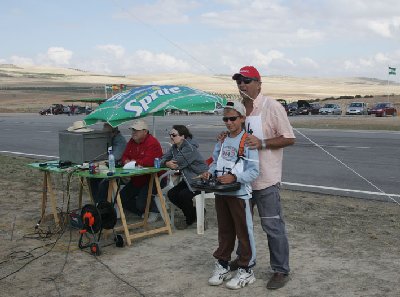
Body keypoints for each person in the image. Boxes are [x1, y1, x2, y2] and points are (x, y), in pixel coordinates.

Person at [230, 66, 296, 290]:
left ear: (259, 83)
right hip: (243, 179)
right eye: (239, 81)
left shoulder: (272, 106)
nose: (242, 85)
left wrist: (263, 143)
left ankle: (280, 270)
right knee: (242, 224)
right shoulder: (239, 109)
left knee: (272, 226)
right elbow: (236, 133)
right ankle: (243, 260)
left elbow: (289, 138)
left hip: (266, 179)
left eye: (247, 80)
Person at [205, 101, 259, 290]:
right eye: (225, 118)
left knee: (244, 232)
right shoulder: (222, 139)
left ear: (242, 118)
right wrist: (209, 173)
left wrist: (235, 177)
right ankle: (223, 265)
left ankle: (246, 269)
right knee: (225, 230)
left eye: (232, 118)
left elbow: (254, 171)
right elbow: (216, 161)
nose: (228, 122)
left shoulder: (248, 141)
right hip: (221, 192)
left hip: (239, 194)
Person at [160, 125, 208, 229]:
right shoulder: (174, 147)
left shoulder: (189, 148)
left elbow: (177, 163)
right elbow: (162, 159)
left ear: (182, 136)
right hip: (188, 180)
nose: (171, 137)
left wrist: (167, 163)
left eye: (174, 135)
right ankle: (195, 213)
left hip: (201, 179)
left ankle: (189, 219)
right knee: (171, 194)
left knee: (183, 195)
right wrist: (166, 163)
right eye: (170, 135)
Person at [120, 119, 163, 223]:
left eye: (137, 130)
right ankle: (143, 212)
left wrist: (132, 162)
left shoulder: (152, 142)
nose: (134, 132)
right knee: (121, 198)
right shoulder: (132, 141)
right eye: (133, 130)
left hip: (152, 178)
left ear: (145, 131)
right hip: (137, 178)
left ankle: (154, 210)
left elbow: (148, 161)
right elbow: (124, 156)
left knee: (141, 203)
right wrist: (126, 161)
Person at [90, 123, 127, 203]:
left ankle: (102, 205)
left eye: (106, 134)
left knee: (104, 183)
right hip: (108, 168)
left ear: (113, 133)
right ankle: (97, 203)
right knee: (92, 178)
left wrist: (101, 162)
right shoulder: (109, 139)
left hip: (118, 172)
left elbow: (115, 157)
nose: (105, 135)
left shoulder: (120, 141)